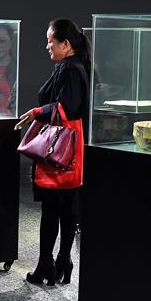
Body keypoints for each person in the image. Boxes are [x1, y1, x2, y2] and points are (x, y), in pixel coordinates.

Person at [14, 18, 91, 286]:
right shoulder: (78, 65)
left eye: (50, 41)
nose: (47, 46)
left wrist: (36, 112)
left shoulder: (68, 68)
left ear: (65, 44)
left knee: (51, 210)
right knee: (68, 209)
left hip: (59, 149)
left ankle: (45, 263)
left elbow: (65, 108)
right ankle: (63, 261)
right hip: (73, 148)